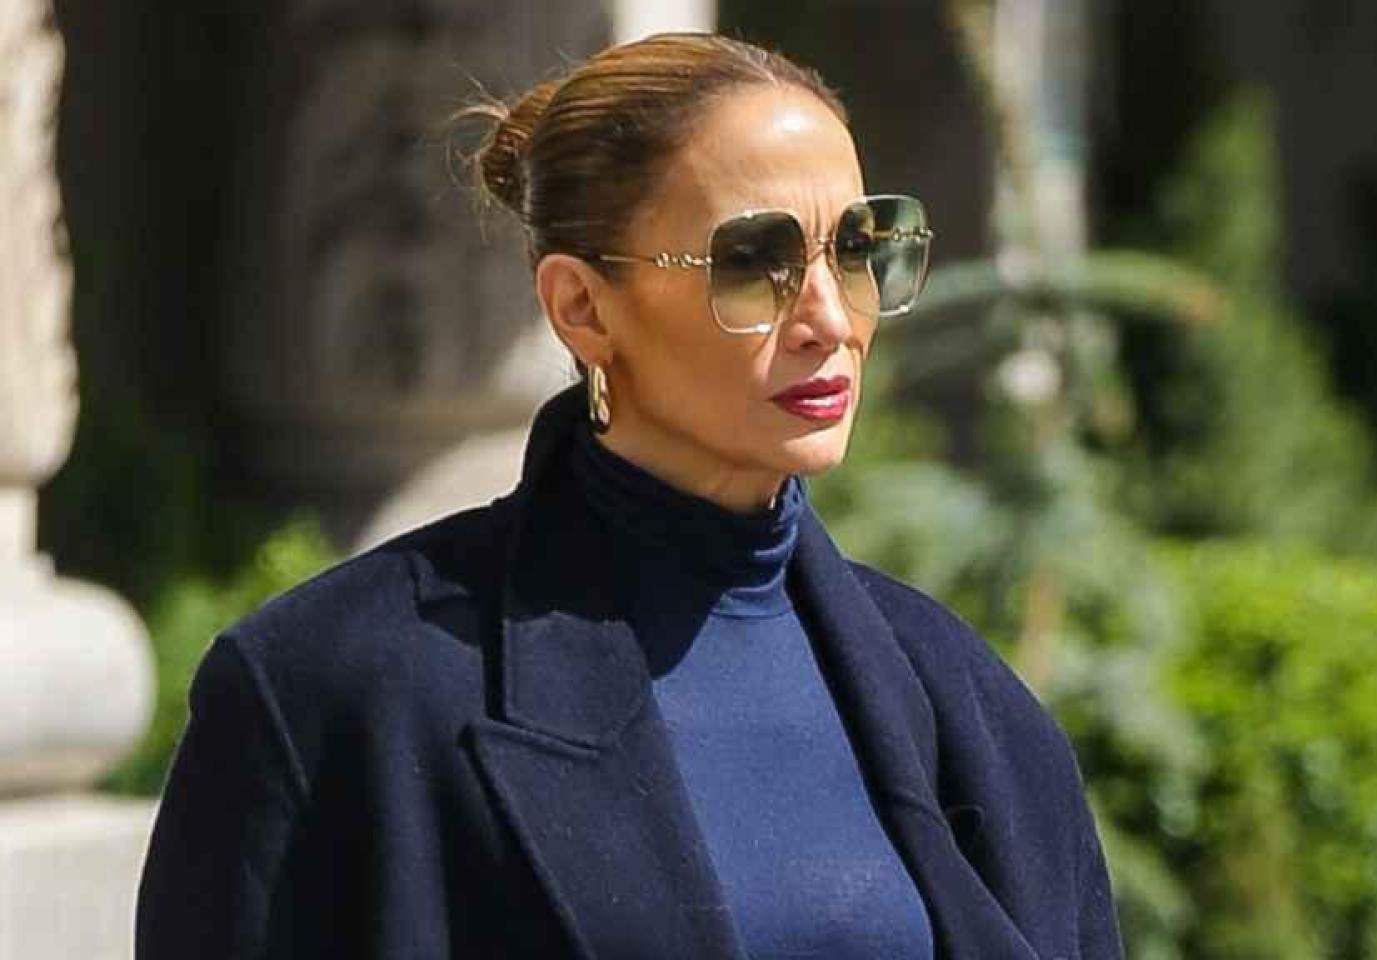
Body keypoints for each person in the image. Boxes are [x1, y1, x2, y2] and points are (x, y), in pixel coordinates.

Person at [135, 31, 1123, 960]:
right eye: (756, 261)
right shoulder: (332, 691)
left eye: (858, 249)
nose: (828, 318)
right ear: (580, 306)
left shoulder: (971, 707)